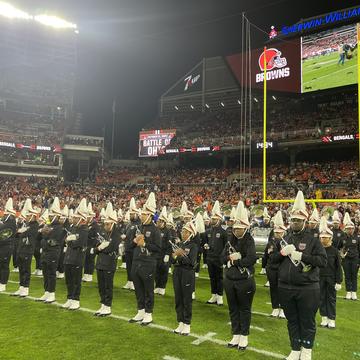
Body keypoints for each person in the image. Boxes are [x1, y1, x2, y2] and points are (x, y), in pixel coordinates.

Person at [271, 191, 327, 360]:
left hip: (307, 288)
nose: (295, 222)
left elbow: (322, 261)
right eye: (293, 220)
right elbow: (272, 261)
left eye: (298, 220)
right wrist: (281, 253)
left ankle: (307, 350)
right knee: (292, 320)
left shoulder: (313, 240)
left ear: (304, 221)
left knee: (307, 321)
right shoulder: (284, 239)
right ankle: (295, 348)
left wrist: (303, 256)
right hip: (286, 287)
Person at [223, 202, 256, 351]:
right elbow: (221, 257)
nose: (236, 231)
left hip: (244, 281)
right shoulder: (231, 239)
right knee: (233, 308)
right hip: (230, 280)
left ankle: (244, 336)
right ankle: (235, 333)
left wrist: (235, 261)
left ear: (245, 227)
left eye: (239, 229)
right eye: (235, 228)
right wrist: (231, 260)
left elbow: (251, 259)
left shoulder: (250, 240)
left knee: (244, 309)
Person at [130, 192, 161, 326]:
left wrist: (145, 244)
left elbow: (158, 248)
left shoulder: (156, 230)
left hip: (148, 263)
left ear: (149, 216)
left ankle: (148, 313)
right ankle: (141, 310)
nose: (141, 216)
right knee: (138, 288)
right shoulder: (139, 227)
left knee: (148, 289)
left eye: (143, 214)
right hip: (137, 261)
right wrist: (133, 242)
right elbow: (132, 245)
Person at [94, 202, 120, 316]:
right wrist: (101, 247)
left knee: (108, 286)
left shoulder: (116, 234)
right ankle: (103, 304)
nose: (105, 226)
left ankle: (108, 306)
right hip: (100, 262)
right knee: (101, 286)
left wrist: (101, 248)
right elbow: (96, 245)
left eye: (108, 224)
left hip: (109, 263)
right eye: (105, 224)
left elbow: (111, 248)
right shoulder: (103, 232)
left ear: (113, 224)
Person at [172, 221, 198, 336]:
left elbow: (191, 262)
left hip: (187, 273)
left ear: (191, 233)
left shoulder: (193, 246)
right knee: (178, 298)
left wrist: (180, 255)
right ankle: (180, 322)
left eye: (186, 232)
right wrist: (176, 255)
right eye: (183, 231)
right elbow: (173, 260)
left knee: (186, 299)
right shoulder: (181, 244)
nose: (183, 233)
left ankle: (187, 323)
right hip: (177, 272)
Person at [63, 199, 89, 310]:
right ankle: (69, 298)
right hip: (68, 257)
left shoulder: (84, 229)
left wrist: (70, 240)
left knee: (76, 281)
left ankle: (76, 300)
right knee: (68, 280)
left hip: (77, 258)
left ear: (81, 219)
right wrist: (71, 240)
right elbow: (67, 240)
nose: (73, 218)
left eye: (76, 217)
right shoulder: (73, 228)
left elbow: (77, 243)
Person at [37, 197, 64, 304]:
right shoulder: (48, 225)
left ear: (57, 216)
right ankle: (47, 291)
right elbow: (39, 238)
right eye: (50, 214)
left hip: (53, 253)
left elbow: (52, 241)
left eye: (52, 215)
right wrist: (42, 233)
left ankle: (52, 293)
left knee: (51, 273)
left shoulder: (59, 228)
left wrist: (44, 236)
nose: (50, 216)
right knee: (45, 273)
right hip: (45, 252)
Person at [318, 216, 343, 329]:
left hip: (331, 278)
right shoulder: (318, 250)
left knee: (331, 299)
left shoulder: (334, 251)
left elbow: (338, 267)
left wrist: (339, 281)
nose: (323, 239)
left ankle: (331, 319)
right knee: (321, 298)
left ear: (330, 238)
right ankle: (324, 318)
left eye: (326, 238)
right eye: (322, 237)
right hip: (319, 278)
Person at [13, 199, 39, 297]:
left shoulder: (35, 225)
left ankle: (26, 288)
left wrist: (23, 231)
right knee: (21, 269)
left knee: (26, 270)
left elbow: (30, 233)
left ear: (33, 216)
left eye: (28, 216)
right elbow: (18, 234)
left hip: (28, 250)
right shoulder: (27, 224)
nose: (27, 217)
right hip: (21, 249)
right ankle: (21, 286)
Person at [205, 200, 227, 306]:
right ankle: (213, 295)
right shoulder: (209, 231)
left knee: (219, 278)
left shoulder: (223, 232)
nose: (212, 220)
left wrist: (223, 259)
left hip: (218, 259)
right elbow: (205, 242)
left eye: (214, 219)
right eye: (212, 218)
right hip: (210, 258)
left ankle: (220, 296)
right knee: (212, 277)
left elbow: (226, 246)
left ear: (219, 220)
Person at [266, 210, 287, 319]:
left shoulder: (288, 241)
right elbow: (272, 257)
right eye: (276, 232)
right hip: (273, 269)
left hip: (284, 269)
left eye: (280, 232)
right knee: (273, 288)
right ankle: (275, 307)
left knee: (283, 289)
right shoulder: (271, 242)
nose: (278, 234)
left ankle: (283, 309)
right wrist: (282, 253)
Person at [340, 212, 359, 300]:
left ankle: (354, 292)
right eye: (348, 229)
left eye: (351, 228)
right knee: (347, 276)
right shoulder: (342, 238)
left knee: (354, 276)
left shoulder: (357, 238)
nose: (350, 230)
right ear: (345, 229)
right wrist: (341, 254)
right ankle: (348, 292)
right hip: (346, 260)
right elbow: (339, 248)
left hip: (355, 259)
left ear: (353, 229)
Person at [0, 198, 17, 292]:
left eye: (6, 213)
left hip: (7, 246)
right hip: (2, 246)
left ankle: (3, 283)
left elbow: (4, 234)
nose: (4, 214)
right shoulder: (6, 221)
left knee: (4, 265)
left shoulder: (11, 222)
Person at [123, 198, 140, 290]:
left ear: (136, 214)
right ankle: (129, 281)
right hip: (128, 248)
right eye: (130, 214)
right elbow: (126, 234)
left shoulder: (139, 224)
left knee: (134, 267)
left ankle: (134, 283)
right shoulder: (129, 224)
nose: (130, 215)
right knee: (129, 266)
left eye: (132, 214)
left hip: (135, 249)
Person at [154, 206, 172, 296]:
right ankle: (157, 286)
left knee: (164, 272)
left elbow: (170, 244)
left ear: (164, 222)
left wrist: (168, 254)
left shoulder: (168, 231)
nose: (158, 223)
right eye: (158, 221)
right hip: (157, 254)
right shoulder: (156, 230)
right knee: (156, 271)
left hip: (164, 254)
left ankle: (162, 288)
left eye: (160, 221)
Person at [82, 202, 98, 282]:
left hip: (92, 245)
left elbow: (94, 236)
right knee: (86, 260)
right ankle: (85, 274)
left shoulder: (95, 225)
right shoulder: (87, 225)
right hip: (87, 245)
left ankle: (90, 275)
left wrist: (93, 247)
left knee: (91, 261)